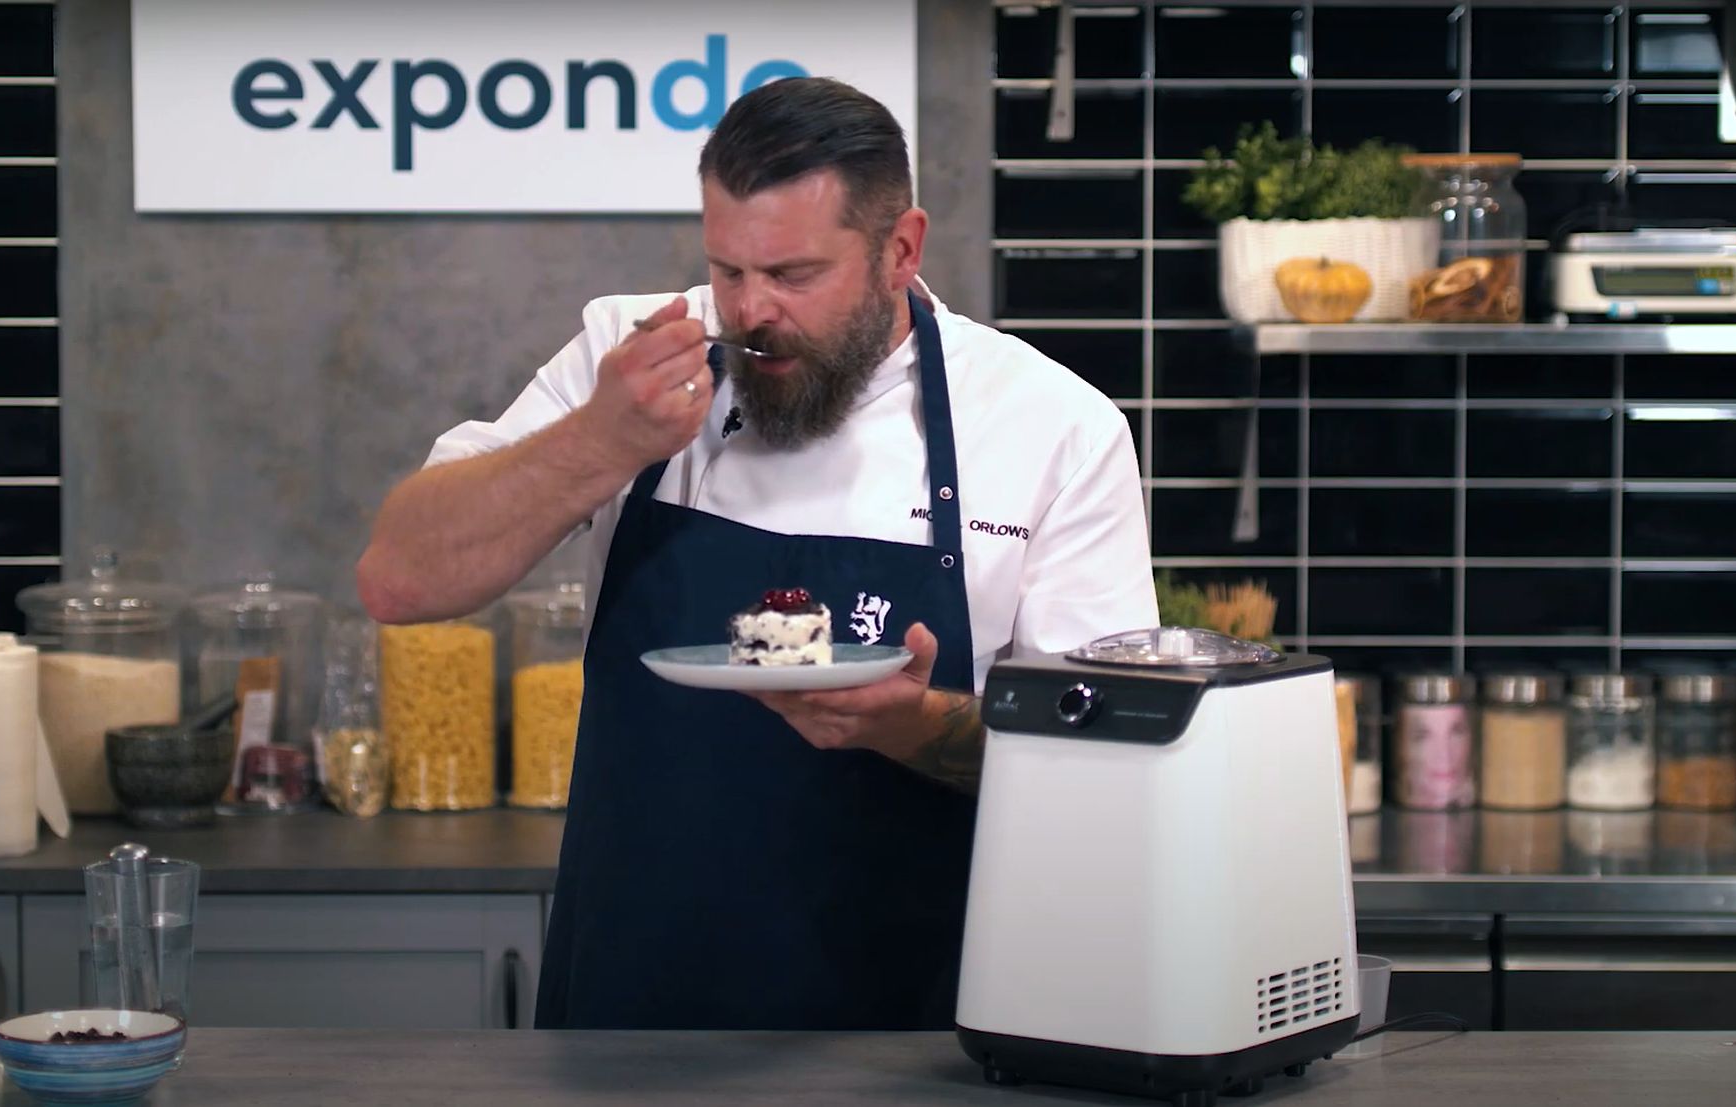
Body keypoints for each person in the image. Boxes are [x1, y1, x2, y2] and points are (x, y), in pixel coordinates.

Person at [357, 76, 1155, 1031]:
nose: (749, 311)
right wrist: (605, 439)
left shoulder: (1051, 426)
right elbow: (400, 579)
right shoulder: (632, 355)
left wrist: (909, 724)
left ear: (901, 249)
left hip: (912, 1041)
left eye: (793, 275)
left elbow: (1109, 764)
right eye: (726, 269)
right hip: (626, 1017)